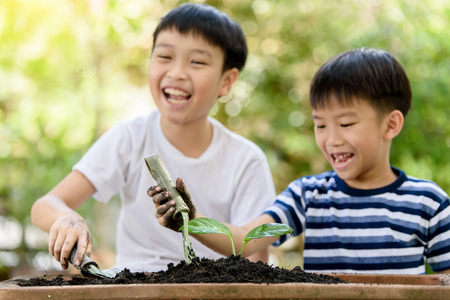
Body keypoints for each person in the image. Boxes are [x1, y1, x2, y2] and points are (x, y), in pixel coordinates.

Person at [150, 48, 450, 274]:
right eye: (320, 125)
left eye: (346, 124)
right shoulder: (308, 195)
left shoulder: (428, 203)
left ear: (391, 125)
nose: (331, 139)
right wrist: (193, 220)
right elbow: (244, 240)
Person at [30, 3, 276, 272]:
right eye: (165, 56)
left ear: (226, 81)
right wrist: (66, 218)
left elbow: (254, 258)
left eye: (197, 62)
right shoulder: (129, 138)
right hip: (134, 285)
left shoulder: (246, 159)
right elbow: (46, 205)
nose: (177, 73)